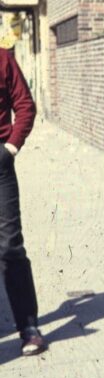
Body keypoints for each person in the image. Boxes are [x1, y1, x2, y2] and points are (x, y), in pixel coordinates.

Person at [0, 49, 44, 357]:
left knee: (10, 245)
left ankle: (28, 327)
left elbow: (25, 104)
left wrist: (12, 147)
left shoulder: (3, 59)